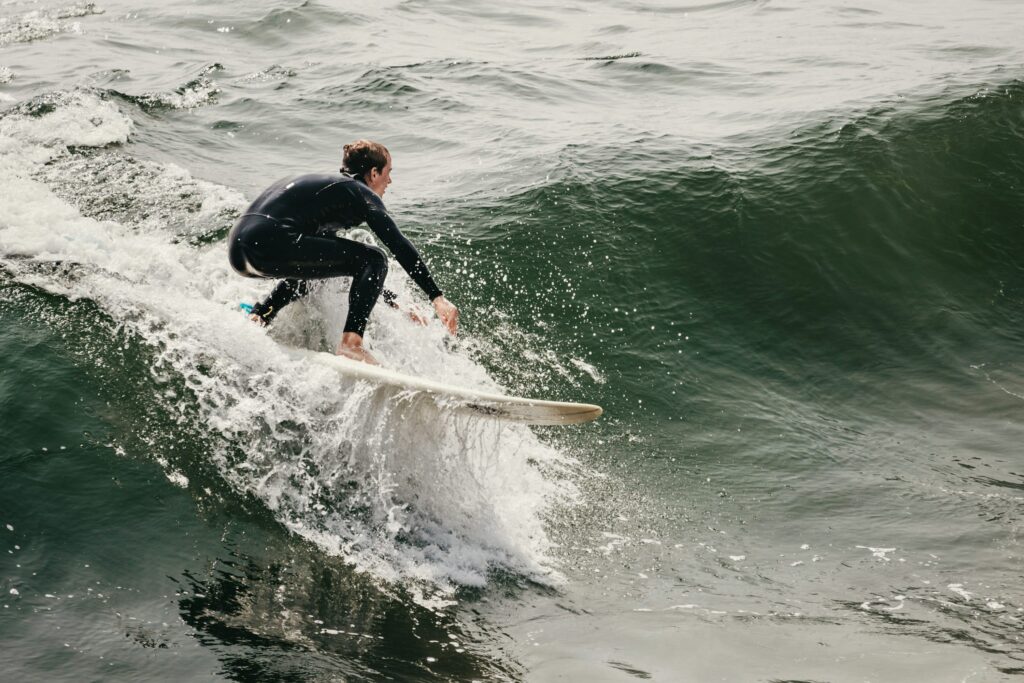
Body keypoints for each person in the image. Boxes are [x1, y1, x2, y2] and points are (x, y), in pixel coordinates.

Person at [227, 140, 458, 364]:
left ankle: (261, 315)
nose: (390, 180)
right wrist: (436, 297)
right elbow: (397, 243)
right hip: (271, 241)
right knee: (375, 258)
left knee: (322, 271)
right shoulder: (358, 192)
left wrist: (394, 302)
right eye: (388, 172)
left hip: (240, 249)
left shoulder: (329, 191)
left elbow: (333, 268)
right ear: (374, 173)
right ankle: (351, 344)